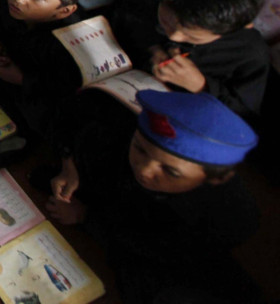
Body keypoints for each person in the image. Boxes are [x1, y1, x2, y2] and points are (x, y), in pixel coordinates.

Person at [47, 90, 262, 304]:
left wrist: (85, 215)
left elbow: (153, 248)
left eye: (170, 171)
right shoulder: (125, 133)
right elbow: (76, 115)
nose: (145, 170)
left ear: (212, 179)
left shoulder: (227, 217)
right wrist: (70, 164)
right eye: (140, 149)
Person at [113, 0, 268, 118]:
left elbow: (244, 113)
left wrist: (200, 86)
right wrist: (153, 47)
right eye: (165, 23)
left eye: (192, 37)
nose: (174, 36)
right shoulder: (151, 0)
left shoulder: (249, 56)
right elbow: (128, 11)